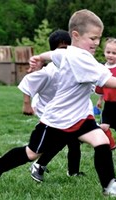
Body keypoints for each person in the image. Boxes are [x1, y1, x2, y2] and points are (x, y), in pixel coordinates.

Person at [0, 9, 116, 197]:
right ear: (75, 35)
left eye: (99, 38)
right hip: (57, 119)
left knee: (101, 141)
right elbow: (106, 81)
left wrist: (39, 57)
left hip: (80, 116)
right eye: (92, 38)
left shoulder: (70, 53)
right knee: (32, 153)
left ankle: (110, 185)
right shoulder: (79, 57)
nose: (97, 43)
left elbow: (53, 55)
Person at [18, 29, 85, 183]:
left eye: (67, 48)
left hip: (64, 112)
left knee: (73, 141)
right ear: (52, 51)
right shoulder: (49, 71)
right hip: (47, 112)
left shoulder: (73, 67)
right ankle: (39, 165)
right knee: (61, 140)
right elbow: (27, 82)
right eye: (61, 49)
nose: (65, 52)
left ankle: (72, 172)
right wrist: (27, 104)